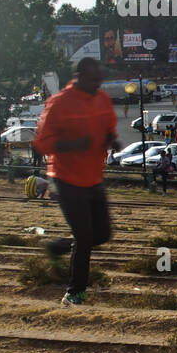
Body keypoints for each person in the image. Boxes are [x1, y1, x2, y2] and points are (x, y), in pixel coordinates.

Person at [30, 57, 121, 307]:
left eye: (99, 80)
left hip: (93, 178)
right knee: (84, 236)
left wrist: (112, 140)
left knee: (101, 234)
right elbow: (41, 143)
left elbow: (109, 127)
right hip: (65, 179)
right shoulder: (59, 103)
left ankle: (59, 246)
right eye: (93, 80)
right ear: (78, 76)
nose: (97, 84)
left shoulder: (101, 99)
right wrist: (72, 145)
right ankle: (74, 292)